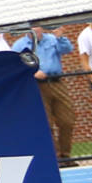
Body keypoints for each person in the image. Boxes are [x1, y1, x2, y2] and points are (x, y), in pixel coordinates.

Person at [13, 23, 77, 162]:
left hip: (56, 83)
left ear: (41, 28)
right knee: (46, 124)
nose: (35, 29)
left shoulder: (52, 39)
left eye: (37, 26)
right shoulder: (20, 45)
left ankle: (66, 156)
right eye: (32, 27)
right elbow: (16, 66)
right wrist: (33, 73)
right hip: (36, 87)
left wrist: (61, 37)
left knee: (67, 121)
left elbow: (67, 49)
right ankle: (55, 159)